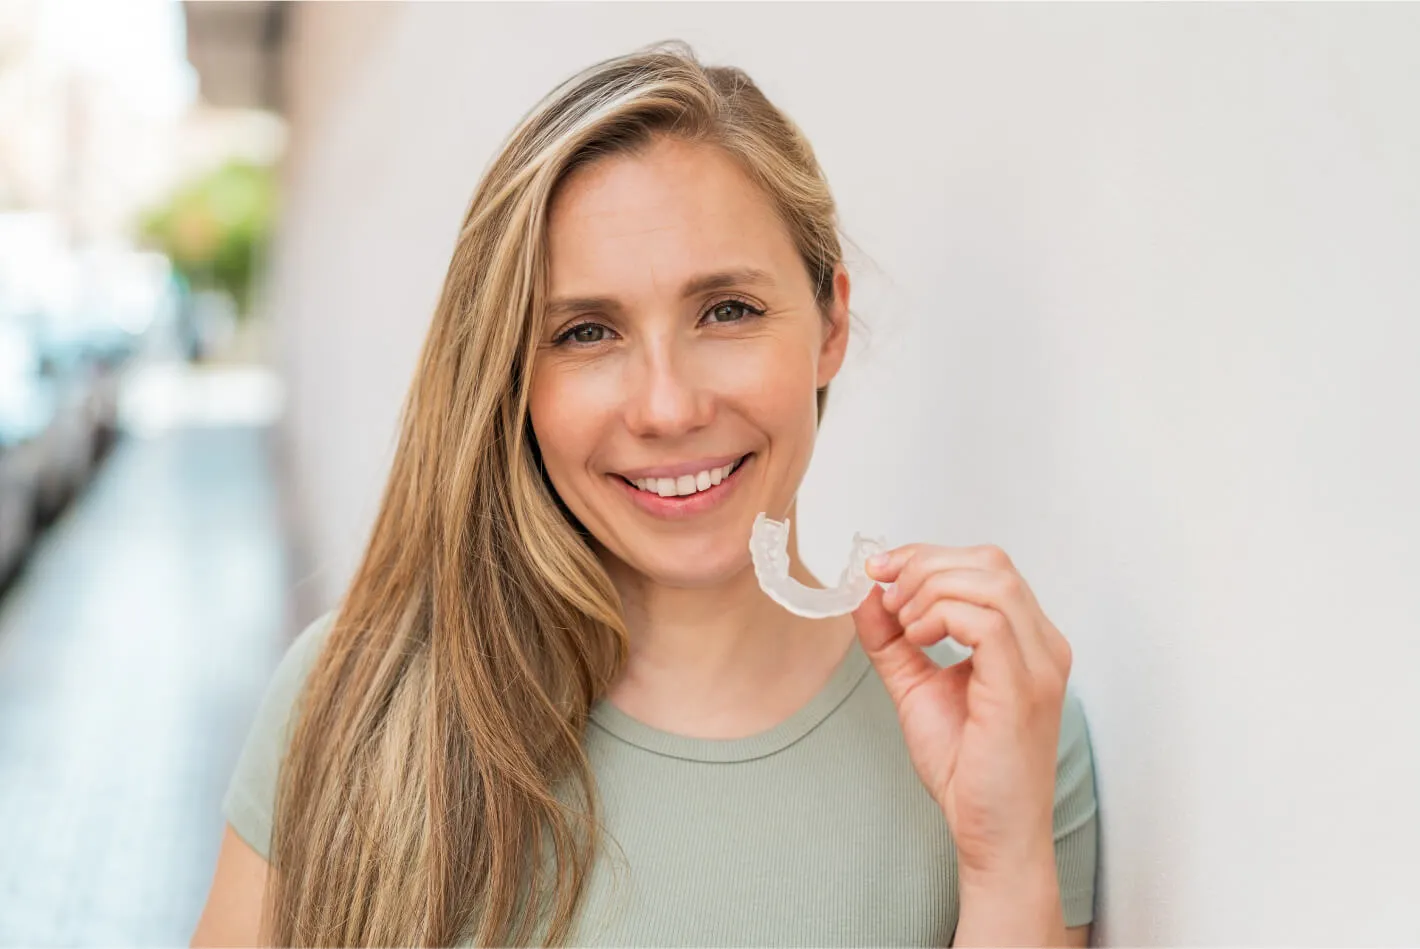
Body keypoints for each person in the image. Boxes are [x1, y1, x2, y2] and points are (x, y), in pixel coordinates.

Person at [191, 40, 1099, 948]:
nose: (668, 407)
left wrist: (1004, 858)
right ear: (513, 377)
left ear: (829, 324)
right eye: (587, 331)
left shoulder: (994, 726)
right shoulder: (353, 698)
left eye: (728, 310)